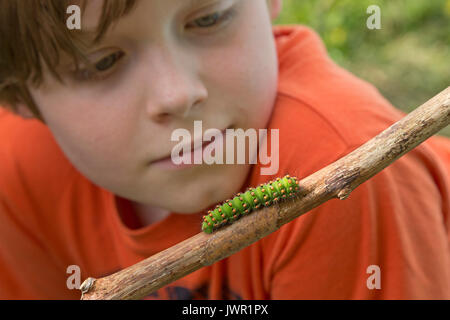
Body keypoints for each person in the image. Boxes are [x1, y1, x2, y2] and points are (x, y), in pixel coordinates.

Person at [0, 0, 449, 299]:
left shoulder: (338, 170)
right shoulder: (19, 170)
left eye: (209, 18)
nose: (178, 94)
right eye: (101, 62)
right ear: (21, 99)